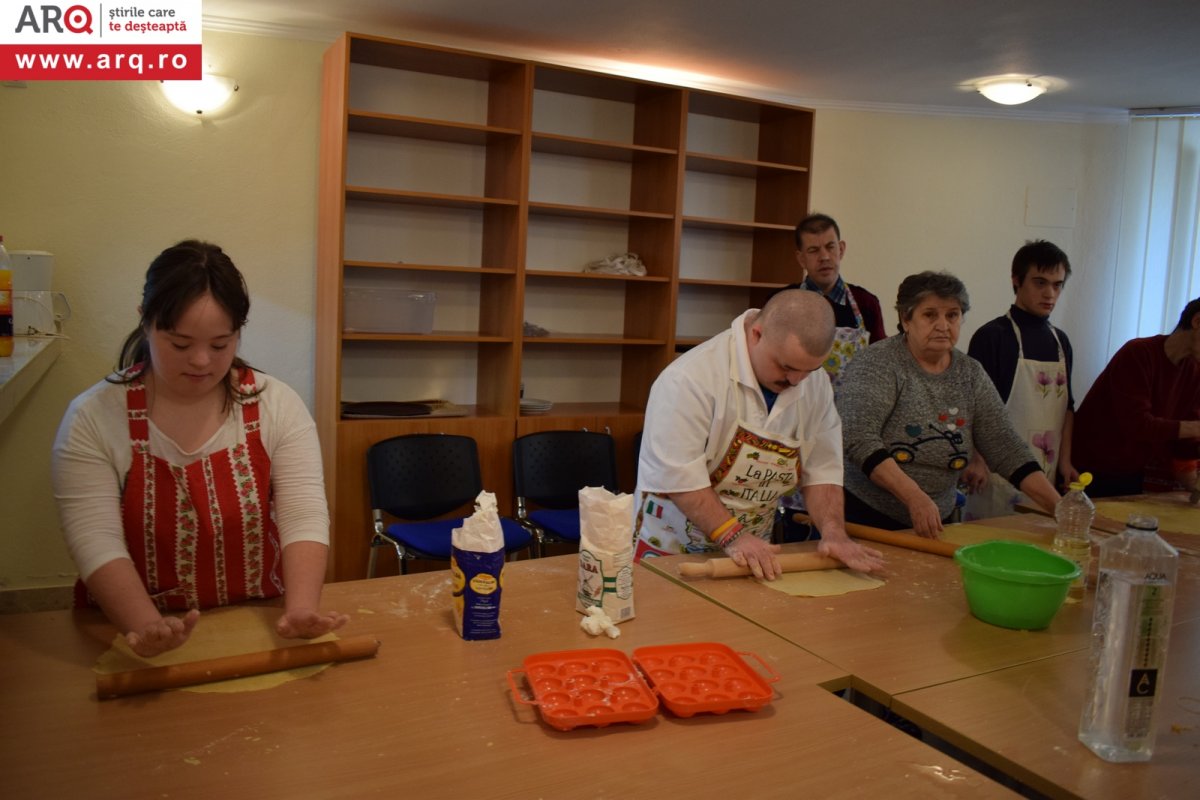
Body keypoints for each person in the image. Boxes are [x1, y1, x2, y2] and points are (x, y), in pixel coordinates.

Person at [52, 240, 347, 657]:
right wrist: (145, 626)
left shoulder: (276, 405)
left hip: (259, 618)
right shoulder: (93, 417)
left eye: (221, 344)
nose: (202, 361)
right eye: (180, 344)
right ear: (145, 322)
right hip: (124, 626)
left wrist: (300, 609)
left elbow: (302, 513)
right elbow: (95, 537)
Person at [633, 289, 885, 580]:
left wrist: (834, 532)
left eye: (810, 370)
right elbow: (680, 478)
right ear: (756, 334)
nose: (796, 381)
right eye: (786, 367)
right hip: (670, 547)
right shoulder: (689, 380)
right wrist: (734, 536)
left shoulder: (813, 383)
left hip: (752, 552)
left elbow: (823, 469)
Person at [837, 271, 1062, 538]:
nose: (943, 325)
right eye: (930, 315)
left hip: (936, 518)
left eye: (952, 315)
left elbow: (1005, 446)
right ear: (906, 319)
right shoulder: (878, 363)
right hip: (866, 516)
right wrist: (914, 497)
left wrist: (1062, 508)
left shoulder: (970, 374)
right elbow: (859, 438)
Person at [963, 240, 1079, 518]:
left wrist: (1065, 462)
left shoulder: (1061, 342)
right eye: (1040, 283)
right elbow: (971, 408)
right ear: (1016, 280)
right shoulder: (992, 336)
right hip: (993, 476)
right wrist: (976, 458)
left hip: (1046, 472)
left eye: (1057, 285)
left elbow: (1068, 408)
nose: (1050, 293)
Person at [1072, 297, 1200, 498]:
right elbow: (1137, 424)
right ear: (1197, 321)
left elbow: (1184, 444)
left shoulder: (1195, 373)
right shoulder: (1138, 353)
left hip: (1132, 473)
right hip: (1089, 469)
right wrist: (1195, 429)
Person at [777, 213, 888, 390]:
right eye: (814, 250)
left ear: (841, 249)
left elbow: (881, 364)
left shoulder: (867, 303)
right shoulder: (781, 303)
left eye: (830, 247)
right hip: (796, 403)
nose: (824, 257)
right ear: (801, 258)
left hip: (853, 405)